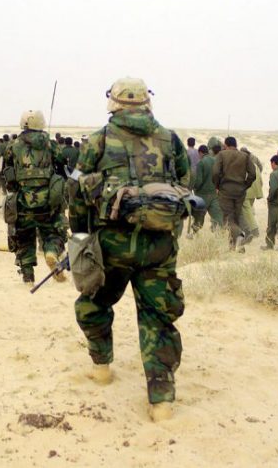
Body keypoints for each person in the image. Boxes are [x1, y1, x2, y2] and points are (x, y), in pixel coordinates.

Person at [68, 77, 189, 422]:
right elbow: (184, 184)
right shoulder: (170, 139)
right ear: (147, 102)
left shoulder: (99, 139)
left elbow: (76, 192)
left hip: (112, 245)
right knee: (158, 317)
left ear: (114, 102)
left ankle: (102, 367)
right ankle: (161, 401)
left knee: (94, 302)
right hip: (160, 246)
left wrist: (80, 236)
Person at [3, 110, 67, 284]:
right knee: (55, 232)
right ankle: (51, 252)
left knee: (23, 238)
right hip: (49, 202)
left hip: (23, 202)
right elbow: (63, 168)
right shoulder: (51, 145)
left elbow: (7, 173)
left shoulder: (13, 146)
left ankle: (28, 276)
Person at [212, 136, 256, 250]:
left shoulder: (222, 154)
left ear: (226, 145)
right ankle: (235, 247)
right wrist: (245, 185)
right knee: (236, 218)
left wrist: (217, 185)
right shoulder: (245, 156)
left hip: (225, 190)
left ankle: (241, 234)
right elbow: (253, 174)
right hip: (240, 191)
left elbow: (216, 172)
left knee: (228, 219)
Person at [192, 144, 223, 232]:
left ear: (200, 153)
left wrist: (194, 188)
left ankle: (194, 234)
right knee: (217, 216)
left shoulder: (201, 163)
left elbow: (199, 181)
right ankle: (219, 234)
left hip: (202, 195)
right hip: (214, 194)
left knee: (199, 217)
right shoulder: (215, 160)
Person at [239, 146, 263, 243]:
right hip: (254, 191)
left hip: (247, 191)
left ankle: (254, 230)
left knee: (247, 212)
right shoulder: (254, 164)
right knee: (248, 211)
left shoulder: (243, 165)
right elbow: (260, 179)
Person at [262, 155, 278, 249]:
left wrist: (269, 198)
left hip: (275, 202)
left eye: (271, 164)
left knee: (271, 224)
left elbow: (273, 188)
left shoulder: (274, 174)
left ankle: (269, 244)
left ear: (274, 163)